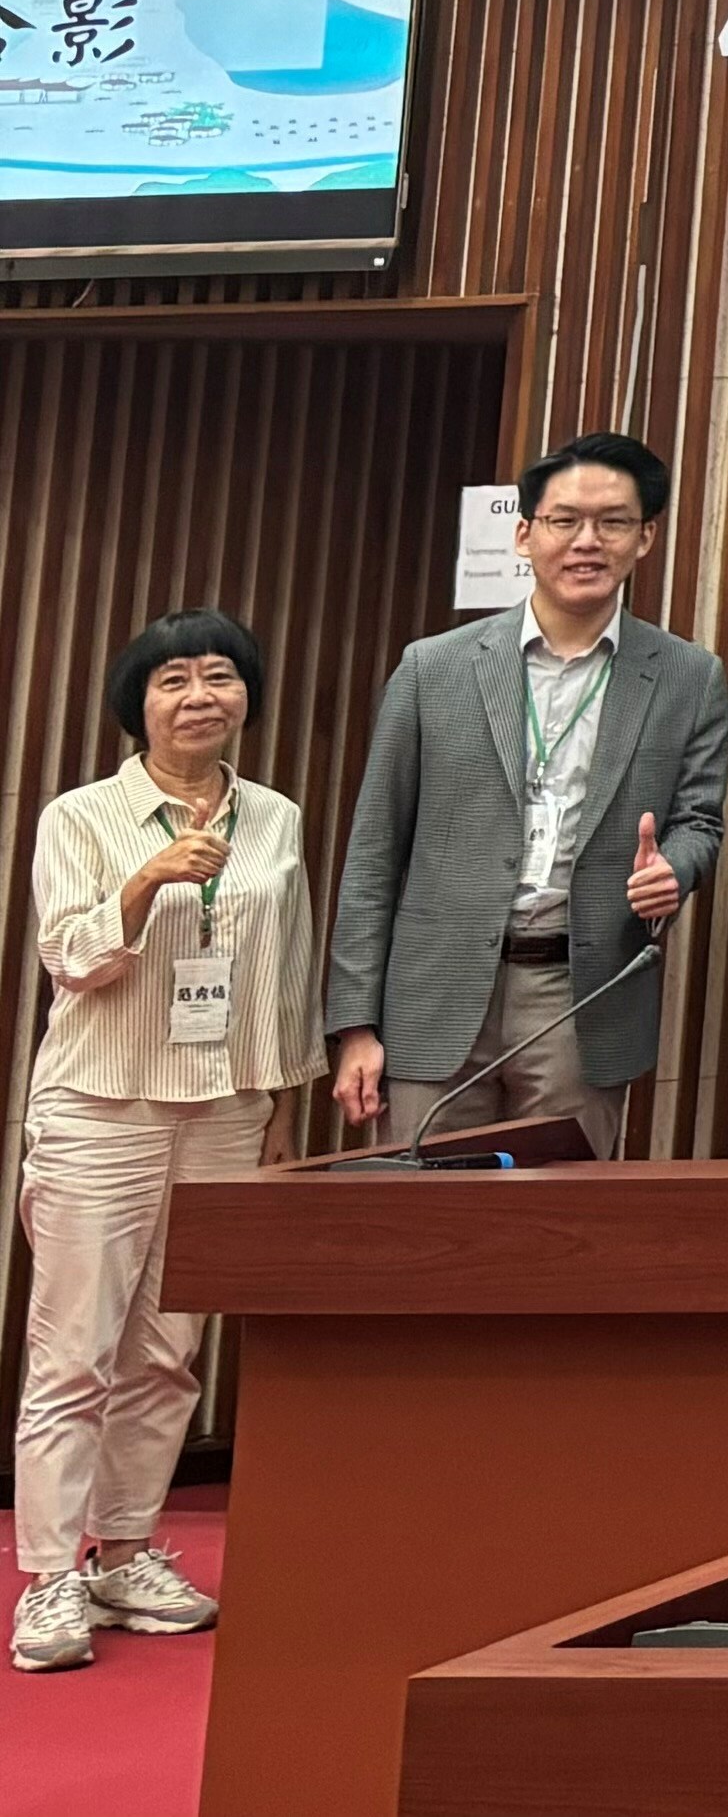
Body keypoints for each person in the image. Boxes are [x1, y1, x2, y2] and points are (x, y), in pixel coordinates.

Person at [18, 614, 301, 1674]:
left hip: (223, 1107)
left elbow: (280, 960)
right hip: (104, 1102)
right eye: (174, 679)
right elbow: (67, 956)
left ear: (246, 697)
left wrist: (278, 1088)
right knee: (73, 1350)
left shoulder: (276, 817)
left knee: (169, 1349)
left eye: (221, 676)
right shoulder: (82, 814)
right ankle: (47, 1571)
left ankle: (125, 1550)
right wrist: (144, 882)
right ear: (135, 703)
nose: (200, 695)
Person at [326, 433, 728, 1157]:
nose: (587, 541)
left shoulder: (687, 675)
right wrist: (356, 1024)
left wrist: (677, 866)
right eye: (564, 520)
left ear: (646, 537)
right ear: (524, 533)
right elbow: (374, 849)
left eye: (612, 522)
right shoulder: (434, 668)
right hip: (435, 991)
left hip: (581, 990)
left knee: (558, 1230)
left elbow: (700, 818)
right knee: (416, 1222)